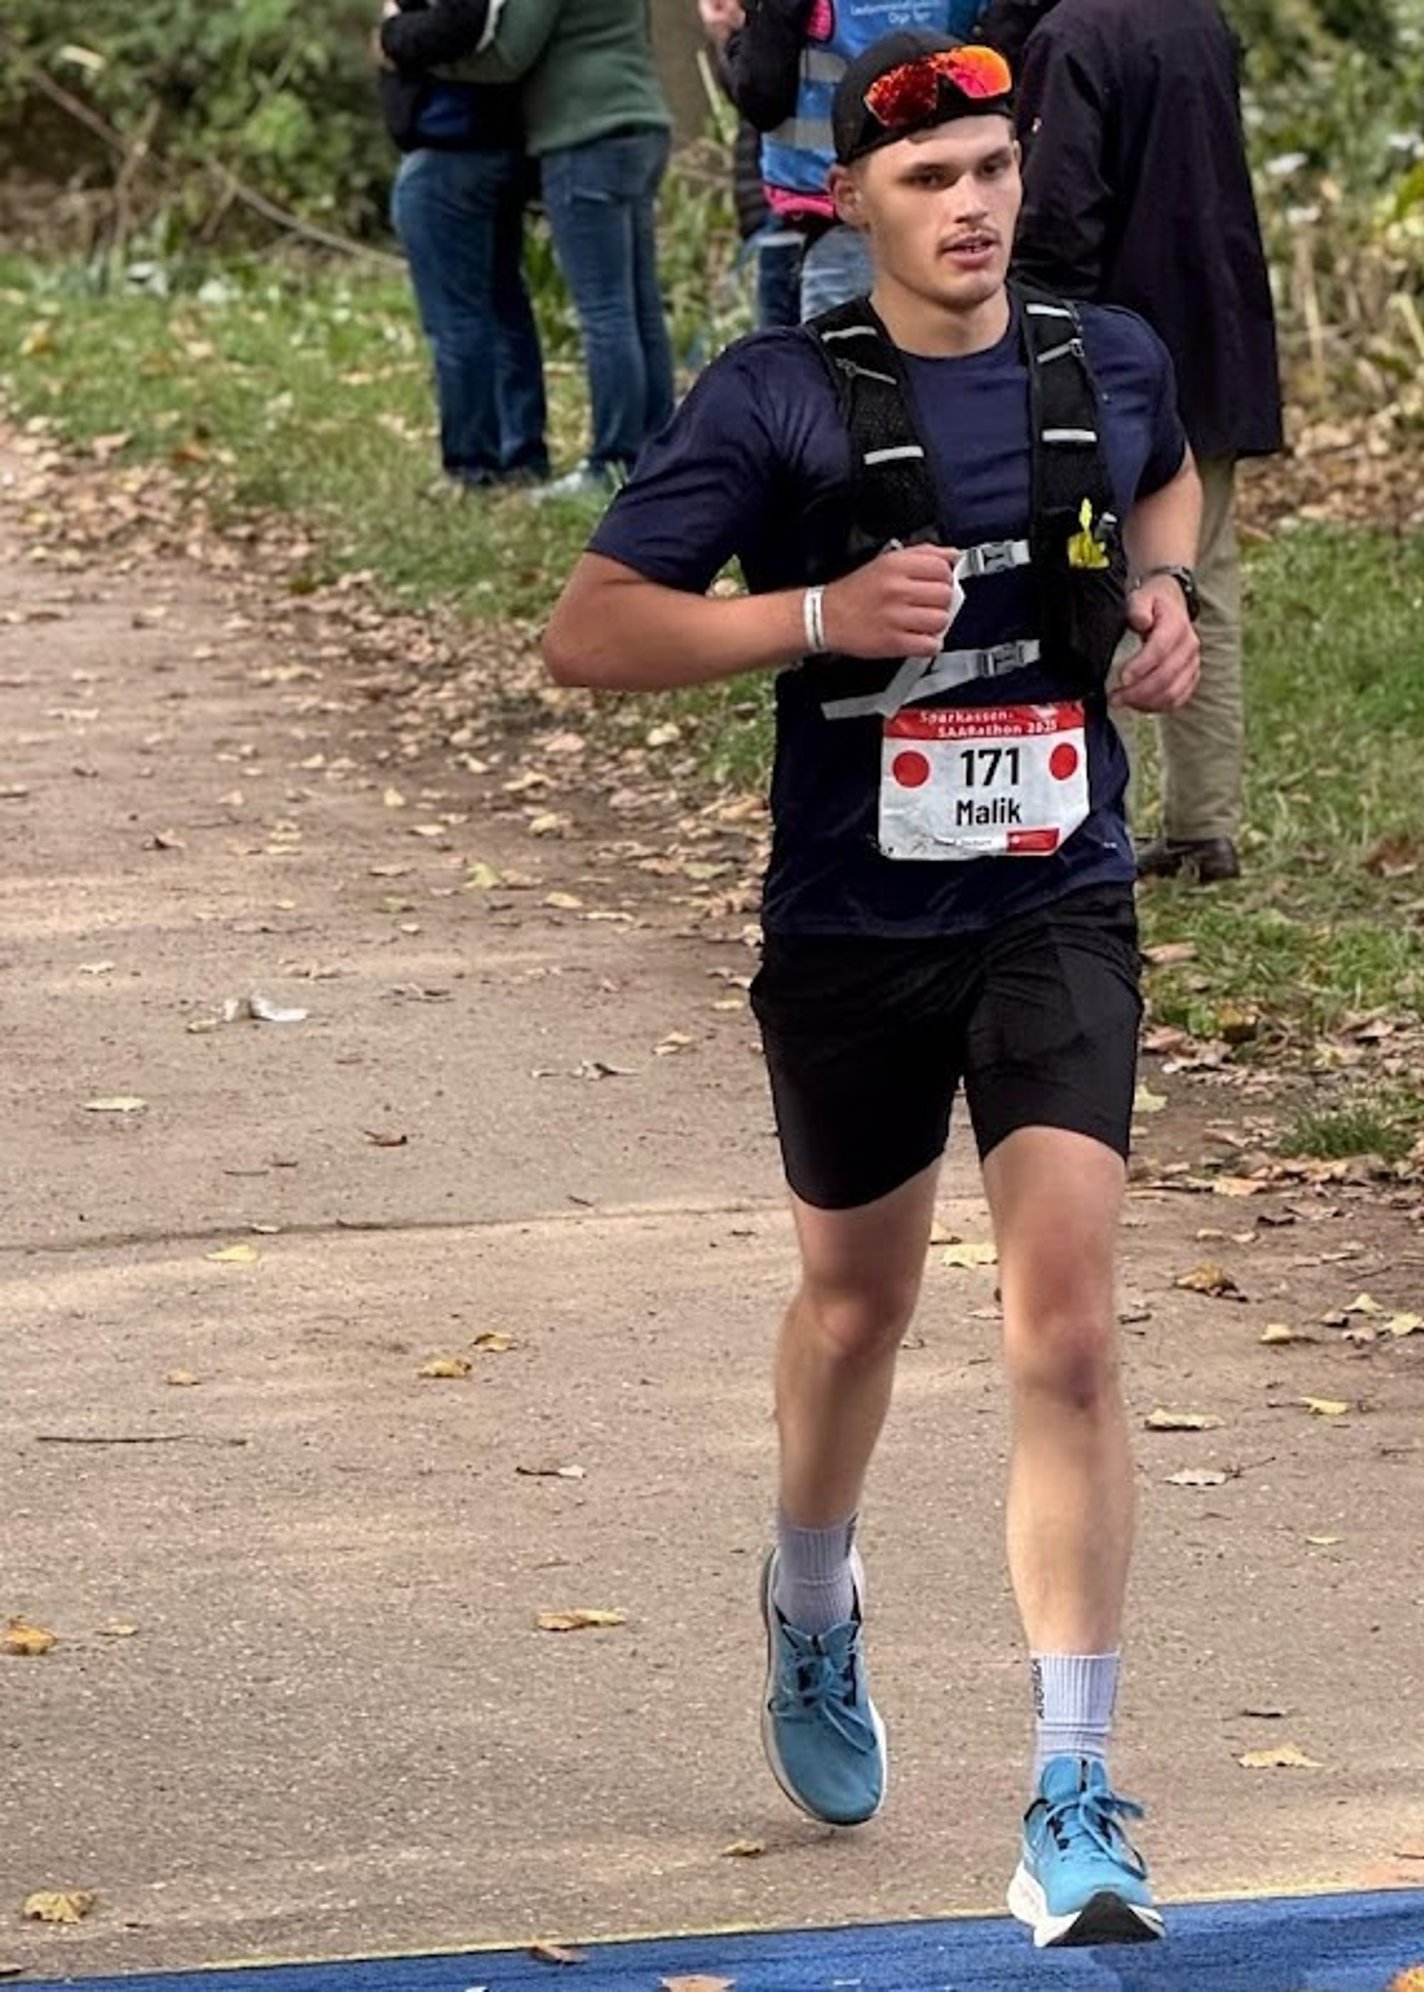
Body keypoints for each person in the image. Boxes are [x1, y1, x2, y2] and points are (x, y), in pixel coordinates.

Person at [542, 30, 1202, 1946]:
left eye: (993, 169)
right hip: (851, 921)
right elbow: (589, 633)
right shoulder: (777, 402)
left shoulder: (1107, 360)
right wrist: (812, 616)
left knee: (1067, 1326)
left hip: (1056, 899)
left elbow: (1160, 494)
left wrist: (1168, 606)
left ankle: (1076, 1788)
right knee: (856, 1308)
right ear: (854, 201)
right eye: (932, 180)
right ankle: (811, 1594)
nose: (975, 205)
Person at [1011, 0, 1282, 883]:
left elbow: (1057, 219)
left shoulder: (1072, 37)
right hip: (1213, 340)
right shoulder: (1197, 18)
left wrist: (1033, 345)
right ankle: (1204, 823)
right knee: (1202, 577)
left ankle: (1091, 816)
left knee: (1097, 578)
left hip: (1114, 356)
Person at [431, 0, 676, 501]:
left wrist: (429, 62)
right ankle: (657, 454)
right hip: (642, 121)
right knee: (640, 305)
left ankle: (612, 462)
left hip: (584, 133)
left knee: (605, 310)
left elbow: (508, 55)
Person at [375, 0, 550, 489]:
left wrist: (391, 36)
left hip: (451, 148)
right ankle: (521, 454)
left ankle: (472, 463)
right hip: (491, 146)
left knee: (457, 319)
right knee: (501, 306)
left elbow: (460, 22)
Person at [725, 0, 987, 320]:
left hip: (829, 205)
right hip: (930, 197)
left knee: (832, 362)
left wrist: (734, 35)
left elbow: (760, 95)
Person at [697, 0, 804, 328]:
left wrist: (735, 32)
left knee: (783, 352)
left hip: (787, 202)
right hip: (784, 198)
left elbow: (759, 95)